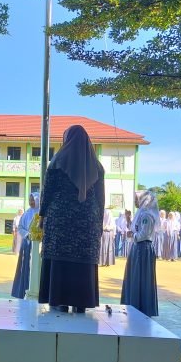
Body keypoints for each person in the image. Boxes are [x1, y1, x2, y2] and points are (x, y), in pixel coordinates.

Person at [38, 125, 105, 313]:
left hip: (60, 220)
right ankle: (81, 303)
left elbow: (47, 192)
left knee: (60, 257)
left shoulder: (57, 162)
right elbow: (100, 199)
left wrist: (42, 215)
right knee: (82, 260)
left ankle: (59, 301)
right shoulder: (97, 167)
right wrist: (98, 221)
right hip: (87, 222)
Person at [120, 190, 159, 316]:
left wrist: (133, 235)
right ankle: (135, 304)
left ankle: (141, 306)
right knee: (136, 276)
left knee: (141, 277)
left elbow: (144, 234)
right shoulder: (141, 214)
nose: (135, 201)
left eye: (137, 199)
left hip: (143, 249)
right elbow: (135, 229)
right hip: (138, 248)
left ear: (144, 200)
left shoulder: (147, 216)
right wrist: (128, 219)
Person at [11, 193, 40, 299]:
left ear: (38, 200)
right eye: (29, 200)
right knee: (26, 267)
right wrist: (28, 234)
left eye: (33, 200)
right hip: (27, 244)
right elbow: (20, 228)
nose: (31, 202)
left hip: (39, 245)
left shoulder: (42, 213)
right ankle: (23, 291)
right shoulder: (27, 213)